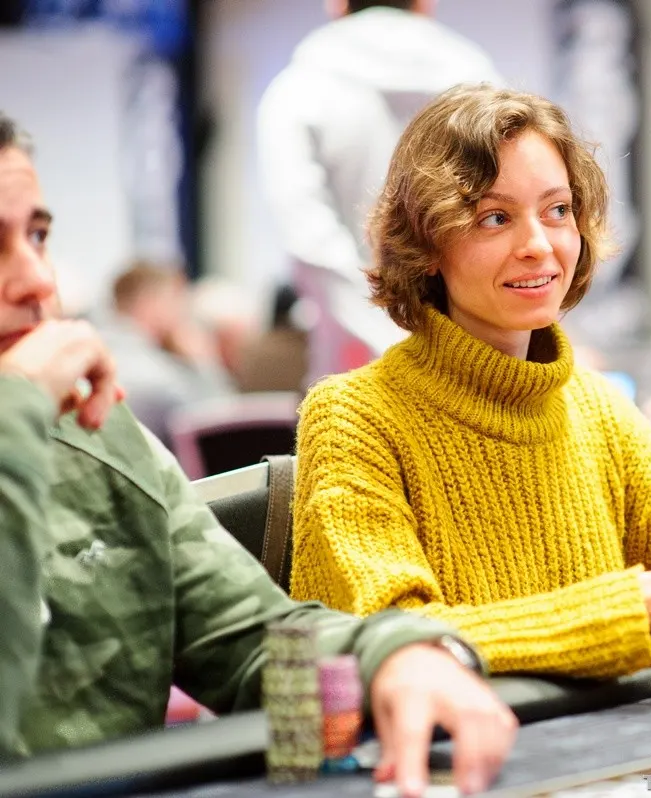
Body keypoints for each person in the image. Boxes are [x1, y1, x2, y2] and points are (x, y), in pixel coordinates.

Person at [0, 113, 515, 798]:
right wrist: (17, 411)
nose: (37, 280)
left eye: (37, 236)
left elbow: (249, 640)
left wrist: (388, 657)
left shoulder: (94, 434)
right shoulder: (35, 416)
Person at [288, 85, 651, 680]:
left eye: (558, 211)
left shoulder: (596, 407)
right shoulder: (352, 416)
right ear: (427, 242)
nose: (539, 245)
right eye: (495, 218)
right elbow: (388, 640)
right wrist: (638, 605)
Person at [257, 0, 503, 385]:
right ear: (425, 3)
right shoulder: (480, 84)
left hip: (354, 369)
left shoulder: (298, 90)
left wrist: (381, 337)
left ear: (336, 4)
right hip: (472, 356)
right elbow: (502, 216)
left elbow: (308, 239)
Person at [97, 261, 233, 445]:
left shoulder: (99, 350)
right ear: (149, 303)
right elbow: (223, 420)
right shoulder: (158, 375)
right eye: (174, 300)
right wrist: (202, 363)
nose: (182, 312)